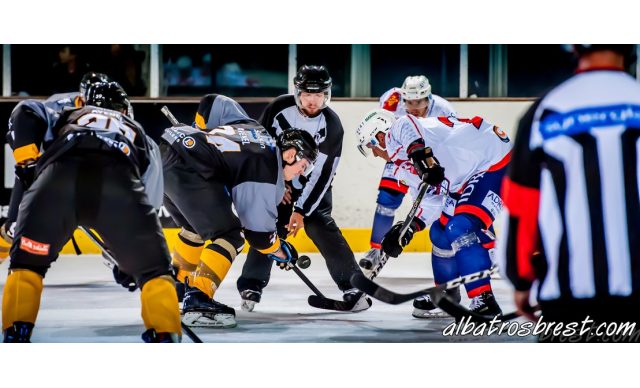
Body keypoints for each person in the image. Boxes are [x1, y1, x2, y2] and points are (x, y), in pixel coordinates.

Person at [1, 81, 181, 342]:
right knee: (155, 273)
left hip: (56, 180)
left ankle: (14, 336)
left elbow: (25, 110)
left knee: (27, 265)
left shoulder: (67, 114)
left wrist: (27, 160)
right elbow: (148, 205)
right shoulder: (139, 132)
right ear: (125, 109)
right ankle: (166, 338)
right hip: (120, 184)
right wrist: (130, 261)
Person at [497, 45, 640, 342]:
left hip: (567, 299)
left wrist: (521, 280)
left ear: (574, 46)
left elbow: (522, 206)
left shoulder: (544, 110)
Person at [161, 93, 319, 327]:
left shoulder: (253, 128)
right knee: (230, 236)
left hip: (168, 154)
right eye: (303, 166)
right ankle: (198, 298)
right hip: (190, 169)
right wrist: (280, 251)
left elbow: (214, 102)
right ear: (290, 154)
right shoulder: (266, 169)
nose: (301, 174)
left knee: (195, 227)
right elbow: (258, 235)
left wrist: (199, 130)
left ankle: (174, 288)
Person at [235, 65, 370, 312]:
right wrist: (277, 183)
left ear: (327, 95)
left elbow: (323, 175)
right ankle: (251, 284)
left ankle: (352, 284)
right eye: (308, 94)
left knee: (320, 224)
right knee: (268, 225)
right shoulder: (278, 108)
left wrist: (301, 210)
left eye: (319, 94)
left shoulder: (332, 125)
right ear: (298, 92)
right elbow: (260, 145)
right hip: (279, 177)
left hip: (311, 186)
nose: (313, 100)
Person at [356, 109, 512, 318]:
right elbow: (431, 200)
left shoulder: (399, 131)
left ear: (380, 136)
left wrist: (419, 153)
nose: (374, 153)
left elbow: (406, 126)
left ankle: (484, 300)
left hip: (495, 161)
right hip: (465, 177)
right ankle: (446, 294)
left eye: (371, 146)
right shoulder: (401, 167)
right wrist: (408, 228)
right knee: (439, 233)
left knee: (460, 227)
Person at [0, 72, 112, 262]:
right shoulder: (62, 108)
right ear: (84, 95)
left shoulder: (103, 114)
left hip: (58, 156)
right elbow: (29, 119)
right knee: (16, 223)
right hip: (34, 142)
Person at [360, 75, 457, 274]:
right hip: (400, 155)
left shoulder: (444, 109)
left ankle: (488, 249)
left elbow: (451, 142)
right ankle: (376, 249)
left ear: (428, 98)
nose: (413, 107)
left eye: (418, 102)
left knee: (458, 204)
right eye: (408, 102)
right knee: (386, 199)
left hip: (432, 159)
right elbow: (382, 132)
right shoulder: (392, 100)